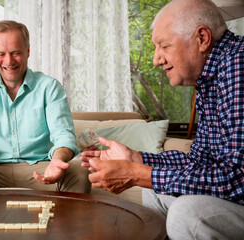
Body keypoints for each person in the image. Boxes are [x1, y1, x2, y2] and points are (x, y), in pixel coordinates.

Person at [80, 0, 244, 239]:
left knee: (186, 212)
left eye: (163, 46)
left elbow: (238, 179)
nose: (157, 59)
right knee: (154, 191)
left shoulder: (237, 67)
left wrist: (138, 174)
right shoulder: (211, 78)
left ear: (202, 38)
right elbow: (201, 160)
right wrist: (137, 159)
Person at [0, 20, 90, 194]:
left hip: (39, 168)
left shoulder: (49, 87)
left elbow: (63, 135)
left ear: (27, 51)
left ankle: (64, 222)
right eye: (1, 54)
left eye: (16, 53)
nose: (8, 61)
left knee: (79, 171)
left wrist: (57, 160)